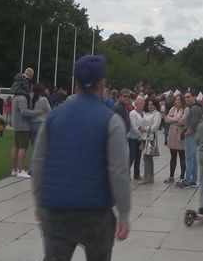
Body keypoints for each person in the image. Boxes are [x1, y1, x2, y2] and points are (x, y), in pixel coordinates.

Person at [32, 55, 130, 260]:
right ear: (102, 82)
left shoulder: (53, 118)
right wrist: (124, 213)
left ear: (75, 82)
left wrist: (39, 203)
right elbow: (118, 170)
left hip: (56, 208)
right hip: (96, 210)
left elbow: (38, 163)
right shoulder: (111, 120)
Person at [10, 68, 40, 179]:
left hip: (16, 125)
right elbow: (24, 112)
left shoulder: (15, 97)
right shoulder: (22, 98)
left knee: (16, 146)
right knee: (23, 147)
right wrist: (37, 113)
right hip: (23, 125)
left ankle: (14, 169)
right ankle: (20, 169)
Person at [177, 92, 203, 188]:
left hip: (191, 136)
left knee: (189, 158)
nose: (187, 99)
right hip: (194, 135)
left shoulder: (195, 108)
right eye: (185, 97)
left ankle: (188, 180)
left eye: (189, 97)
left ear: (194, 97)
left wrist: (188, 131)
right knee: (193, 159)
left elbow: (195, 122)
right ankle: (193, 180)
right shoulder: (196, 107)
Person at [164, 94, 189, 184]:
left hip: (180, 134)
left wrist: (173, 119)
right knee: (172, 156)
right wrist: (176, 119)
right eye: (176, 100)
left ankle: (182, 177)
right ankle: (171, 176)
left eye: (179, 100)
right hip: (172, 134)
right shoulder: (173, 109)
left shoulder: (186, 109)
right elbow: (166, 119)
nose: (177, 101)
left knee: (182, 156)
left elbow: (183, 121)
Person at [138, 97, 162, 184]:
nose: (150, 106)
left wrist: (146, 128)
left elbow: (155, 126)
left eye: (152, 105)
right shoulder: (147, 114)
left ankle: (146, 177)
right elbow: (143, 122)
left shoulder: (157, 114)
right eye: (149, 104)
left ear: (155, 105)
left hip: (151, 138)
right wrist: (141, 127)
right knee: (147, 158)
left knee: (147, 157)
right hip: (144, 137)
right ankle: (150, 177)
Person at [128, 96, 144, 180]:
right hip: (132, 138)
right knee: (131, 156)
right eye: (139, 103)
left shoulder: (144, 113)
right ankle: (127, 173)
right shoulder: (132, 113)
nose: (141, 105)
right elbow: (133, 126)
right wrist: (140, 135)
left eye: (142, 103)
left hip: (141, 139)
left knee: (138, 156)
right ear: (136, 104)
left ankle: (136, 174)